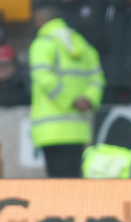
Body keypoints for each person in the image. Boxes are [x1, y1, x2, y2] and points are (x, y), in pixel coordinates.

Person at [29, 2, 106, 178]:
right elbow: (97, 77)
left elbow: (45, 79)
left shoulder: (43, 43)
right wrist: (88, 99)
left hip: (51, 129)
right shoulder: (82, 44)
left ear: (40, 19)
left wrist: (71, 99)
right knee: (74, 181)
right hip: (78, 127)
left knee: (58, 185)